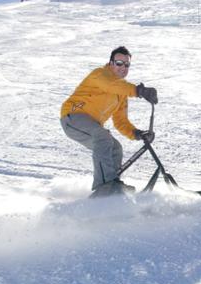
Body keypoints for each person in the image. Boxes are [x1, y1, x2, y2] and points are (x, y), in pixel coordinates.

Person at [60, 46, 159, 196]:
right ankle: (105, 186)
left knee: (115, 148)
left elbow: (120, 121)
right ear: (111, 63)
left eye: (126, 65)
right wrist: (139, 91)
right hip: (73, 117)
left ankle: (113, 187)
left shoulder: (121, 94)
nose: (123, 67)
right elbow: (111, 85)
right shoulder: (100, 74)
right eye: (119, 63)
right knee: (103, 137)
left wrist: (137, 133)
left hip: (91, 125)